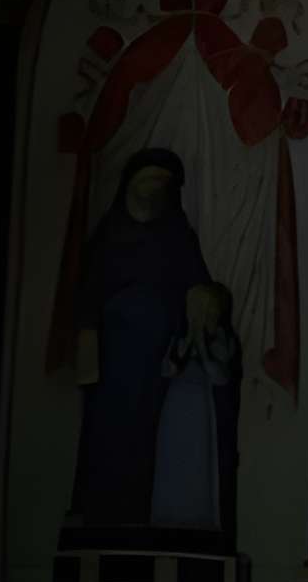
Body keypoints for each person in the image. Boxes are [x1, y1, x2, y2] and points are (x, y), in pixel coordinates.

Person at [68, 149, 211, 532]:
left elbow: (195, 285)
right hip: (112, 361)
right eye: (147, 181)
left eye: (161, 184)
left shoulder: (178, 237)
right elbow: (88, 296)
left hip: (157, 361)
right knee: (104, 437)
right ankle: (100, 513)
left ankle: (138, 512)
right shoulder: (108, 237)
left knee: (150, 440)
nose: (152, 191)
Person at [150, 281, 242, 534]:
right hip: (176, 407)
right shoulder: (180, 337)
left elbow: (219, 375)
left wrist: (200, 345)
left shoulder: (221, 339)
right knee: (173, 459)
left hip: (202, 410)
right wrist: (186, 344)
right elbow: (167, 369)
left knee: (199, 460)